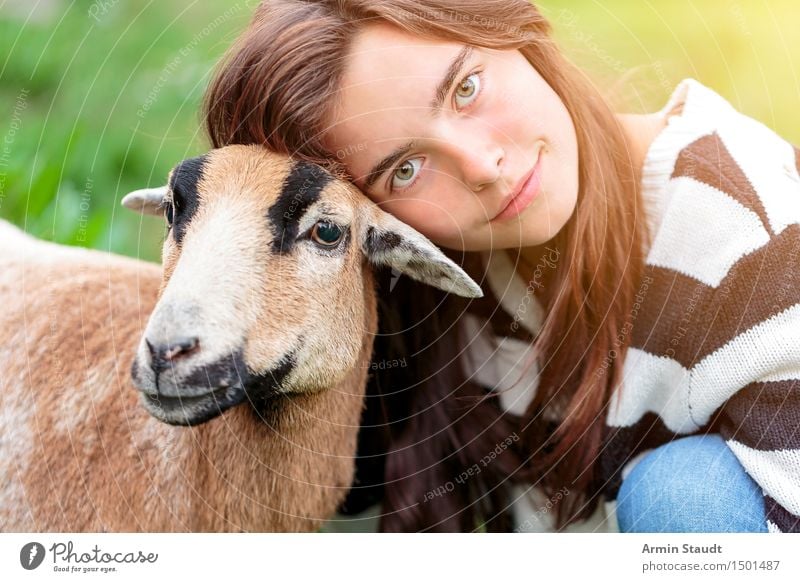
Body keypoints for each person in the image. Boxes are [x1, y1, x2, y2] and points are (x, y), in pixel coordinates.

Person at [202, 0, 800, 533]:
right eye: (405, 169)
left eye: (466, 88)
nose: (482, 165)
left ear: (511, 28)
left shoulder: (744, 228)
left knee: (682, 494)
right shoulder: (441, 275)